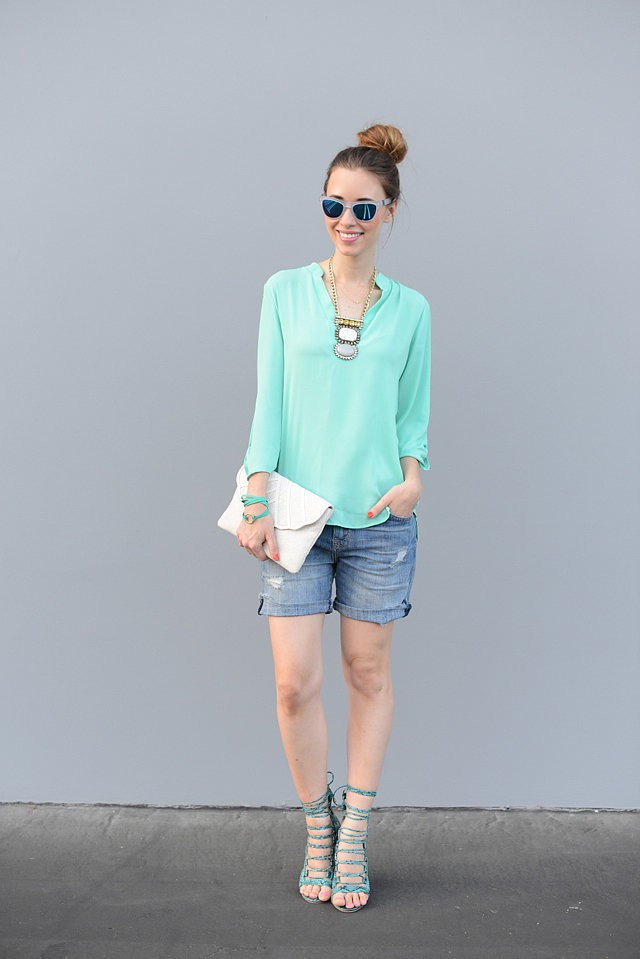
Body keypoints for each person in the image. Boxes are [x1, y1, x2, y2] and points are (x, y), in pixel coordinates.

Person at [236, 123, 431, 913]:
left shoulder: (412, 310)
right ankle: (319, 823)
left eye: (363, 208)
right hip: (296, 518)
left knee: (368, 674)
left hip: (381, 520)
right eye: (333, 205)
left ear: (389, 212)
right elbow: (269, 404)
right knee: (294, 683)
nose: (347, 220)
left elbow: (412, 416)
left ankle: (356, 834)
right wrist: (255, 500)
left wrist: (413, 478)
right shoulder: (284, 292)